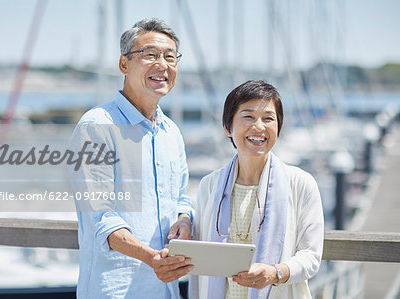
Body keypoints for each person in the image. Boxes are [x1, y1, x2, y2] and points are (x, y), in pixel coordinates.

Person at [69, 18, 194, 299]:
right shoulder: (97, 126)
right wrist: (152, 259)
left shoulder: (171, 132)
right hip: (114, 290)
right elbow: (101, 218)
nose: (162, 65)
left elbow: (181, 199)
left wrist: (184, 220)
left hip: (166, 290)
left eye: (170, 57)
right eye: (150, 55)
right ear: (124, 64)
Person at [189, 80, 324, 299]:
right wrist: (184, 218)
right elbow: (200, 254)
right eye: (248, 117)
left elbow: (311, 256)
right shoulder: (209, 185)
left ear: (279, 127)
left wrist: (275, 273)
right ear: (227, 127)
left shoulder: (301, 183)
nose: (259, 127)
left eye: (269, 118)